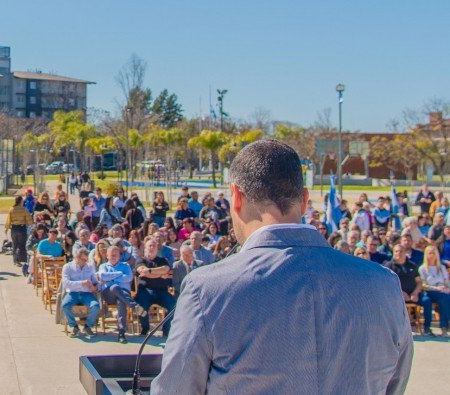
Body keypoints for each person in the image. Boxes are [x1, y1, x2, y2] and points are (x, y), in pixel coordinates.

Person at [151, 140, 412, 394]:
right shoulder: (384, 284)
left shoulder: (206, 289)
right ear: (305, 199)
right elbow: (395, 383)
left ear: (237, 197)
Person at [97, 246, 147, 344]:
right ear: (107, 256)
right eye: (112, 255)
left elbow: (128, 278)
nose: (114, 257)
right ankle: (134, 306)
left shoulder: (125, 265)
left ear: (120, 256)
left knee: (121, 302)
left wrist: (112, 278)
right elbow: (103, 276)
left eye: (116, 255)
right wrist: (120, 274)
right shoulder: (103, 266)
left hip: (124, 294)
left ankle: (121, 332)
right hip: (109, 294)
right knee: (115, 287)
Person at [134, 239, 176, 337]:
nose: (152, 248)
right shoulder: (141, 260)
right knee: (141, 305)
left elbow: (165, 269)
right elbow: (141, 270)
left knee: (173, 305)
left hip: (161, 291)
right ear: (145, 248)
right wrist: (160, 274)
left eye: (154, 246)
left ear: (157, 249)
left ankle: (166, 330)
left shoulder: (162, 260)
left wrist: (149, 271)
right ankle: (145, 328)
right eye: (150, 246)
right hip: (145, 290)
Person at [61, 248, 100, 337]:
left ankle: (88, 326)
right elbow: (66, 283)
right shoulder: (68, 267)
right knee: (65, 305)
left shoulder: (90, 267)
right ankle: (74, 326)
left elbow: (95, 281)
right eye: (83, 259)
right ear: (77, 258)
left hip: (86, 293)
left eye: (86, 260)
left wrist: (95, 287)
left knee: (95, 306)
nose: (85, 262)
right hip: (73, 293)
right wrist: (81, 283)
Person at [420, 246, 450, 336]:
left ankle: (444, 326)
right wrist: (436, 288)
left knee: (446, 298)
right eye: (430, 253)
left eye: (434, 253)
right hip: (429, 291)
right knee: (427, 301)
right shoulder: (423, 268)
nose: (432, 255)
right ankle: (427, 327)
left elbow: (446, 282)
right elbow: (423, 285)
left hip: (441, 292)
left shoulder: (441, 268)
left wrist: (448, 289)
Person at [5, 196, 32, 268]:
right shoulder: (24, 209)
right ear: (21, 201)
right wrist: (29, 225)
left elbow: (8, 219)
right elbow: (29, 219)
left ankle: (15, 260)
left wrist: (6, 228)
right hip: (21, 228)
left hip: (13, 228)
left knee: (15, 243)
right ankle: (19, 258)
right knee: (21, 244)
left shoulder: (12, 209)